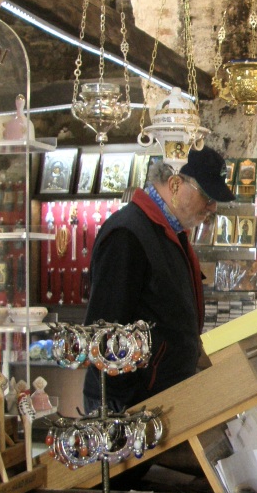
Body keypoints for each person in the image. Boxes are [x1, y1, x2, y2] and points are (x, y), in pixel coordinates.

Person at [82, 146, 235, 414]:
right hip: (131, 405)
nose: (212, 206)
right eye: (207, 195)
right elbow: (103, 333)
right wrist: (130, 405)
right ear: (175, 184)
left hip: (161, 397)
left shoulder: (167, 232)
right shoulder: (127, 234)